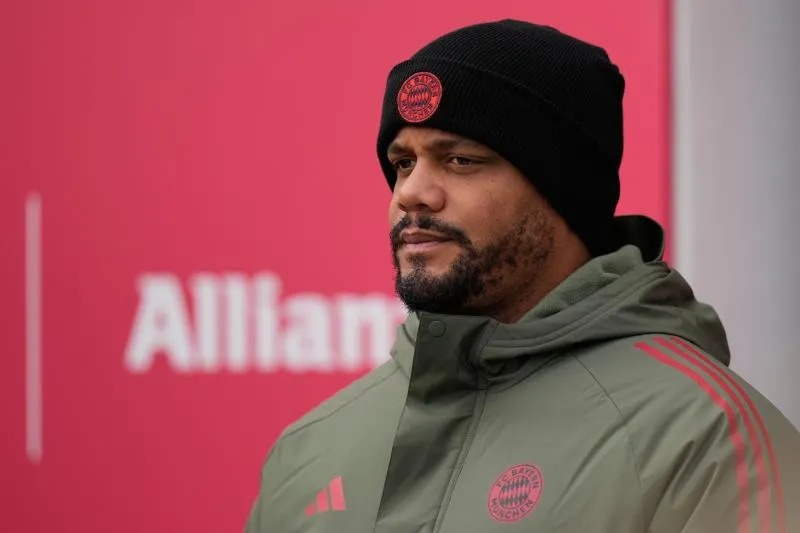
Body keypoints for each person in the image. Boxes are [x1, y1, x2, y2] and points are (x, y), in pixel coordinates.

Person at [244, 19, 800, 533]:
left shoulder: (704, 437)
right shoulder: (308, 452)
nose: (410, 193)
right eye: (403, 162)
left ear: (562, 191)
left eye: (460, 160)